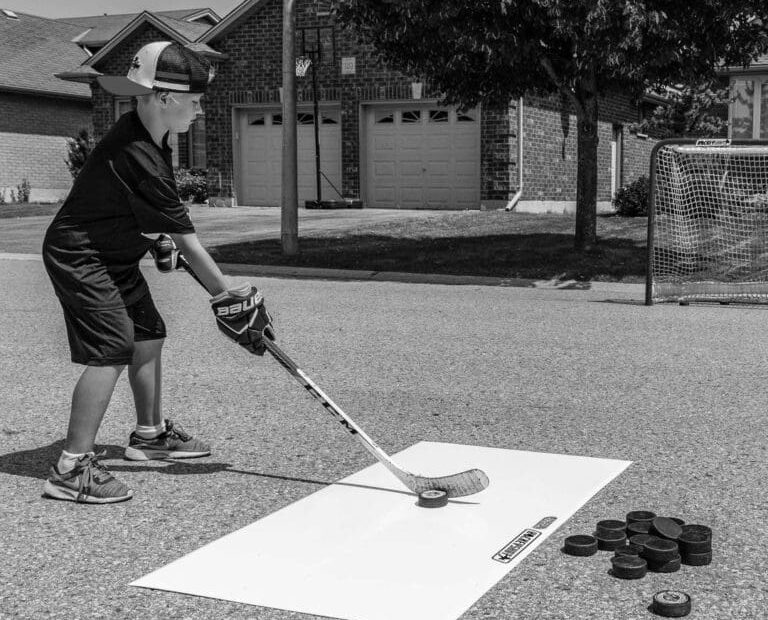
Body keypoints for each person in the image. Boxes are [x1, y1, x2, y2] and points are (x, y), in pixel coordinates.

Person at [41, 41, 273, 504]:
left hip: (113, 253)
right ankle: (71, 468)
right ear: (164, 98)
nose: (200, 111)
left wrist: (156, 237)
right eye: (194, 101)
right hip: (81, 256)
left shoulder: (151, 137)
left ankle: (148, 436)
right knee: (111, 347)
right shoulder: (138, 151)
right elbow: (188, 240)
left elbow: (133, 209)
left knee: (148, 333)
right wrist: (228, 298)